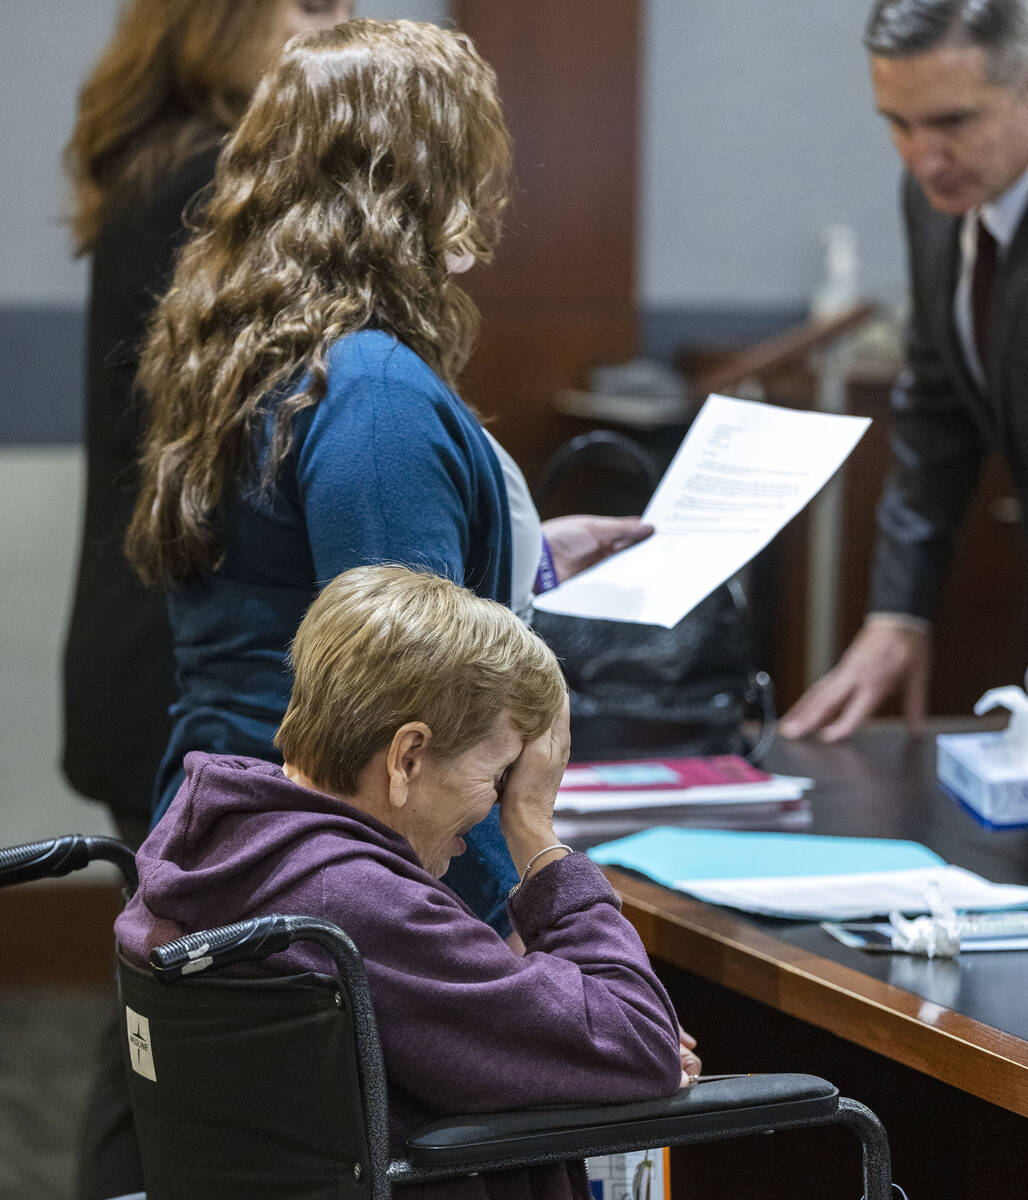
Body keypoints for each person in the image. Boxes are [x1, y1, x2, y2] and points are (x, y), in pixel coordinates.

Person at [124, 17, 650, 935]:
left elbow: (291, 588)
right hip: (354, 871)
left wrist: (527, 554)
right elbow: (420, 712)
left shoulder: (252, 358)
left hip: (246, 833)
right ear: (424, 177)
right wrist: (510, 935)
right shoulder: (370, 389)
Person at [115, 565, 696, 1200]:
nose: (493, 816)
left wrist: (571, 1044)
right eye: (502, 776)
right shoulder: (356, 901)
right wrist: (536, 830)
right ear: (407, 757)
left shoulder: (208, 835)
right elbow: (639, 1042)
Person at [63, 0, 354, 852]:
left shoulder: (164, 166)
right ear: (218, 21)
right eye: (315, 6)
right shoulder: (213, 184)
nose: (342, 30)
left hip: (160, 662)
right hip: (193, 671)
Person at [781, 0, 1028, 742]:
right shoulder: (934, 200)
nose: (922, 156)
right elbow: (937, 409)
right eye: (898, 123)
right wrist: (898, 613)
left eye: (953, 122)